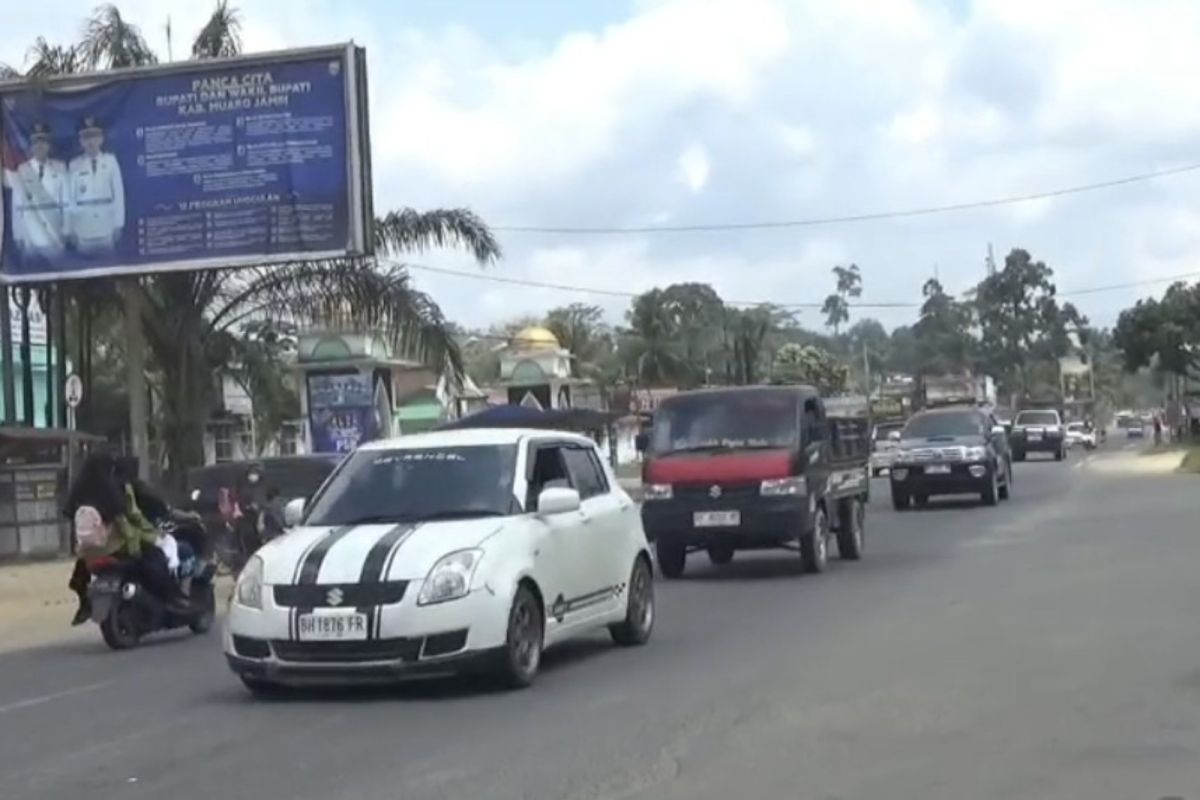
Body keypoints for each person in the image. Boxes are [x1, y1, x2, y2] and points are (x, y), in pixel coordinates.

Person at [64, 452, 188, 625]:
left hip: (87, 551)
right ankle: (171, 597)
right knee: (155, 557)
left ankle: (85, 605)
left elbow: (69, 514)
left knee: (81, 570)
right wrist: (142, 541)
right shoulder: (110, 489)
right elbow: (126, 521)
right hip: (114, 546)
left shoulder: (78, 491)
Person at [5, 121, 68, 265]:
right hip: (30, 236)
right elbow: (17, 205)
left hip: (55, 235)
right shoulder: (22, 170)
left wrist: (67, 231)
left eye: (43, 141)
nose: (39, 146)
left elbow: (66, 203)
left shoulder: (60, 168)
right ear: (30, 146)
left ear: (49, 145)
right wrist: (18, 234)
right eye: (35, 142)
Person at [66, 116, 124, 257]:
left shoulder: (111, 161)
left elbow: (119, 194)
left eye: (94, 136)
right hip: (83, 228)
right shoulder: (74, 165)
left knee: (108, 264)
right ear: (81, 141)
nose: (90, 141)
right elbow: (69, 199)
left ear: (101, 139)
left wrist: (119, 223)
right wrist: (69, 228)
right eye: (86, 137)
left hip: (107, 227)